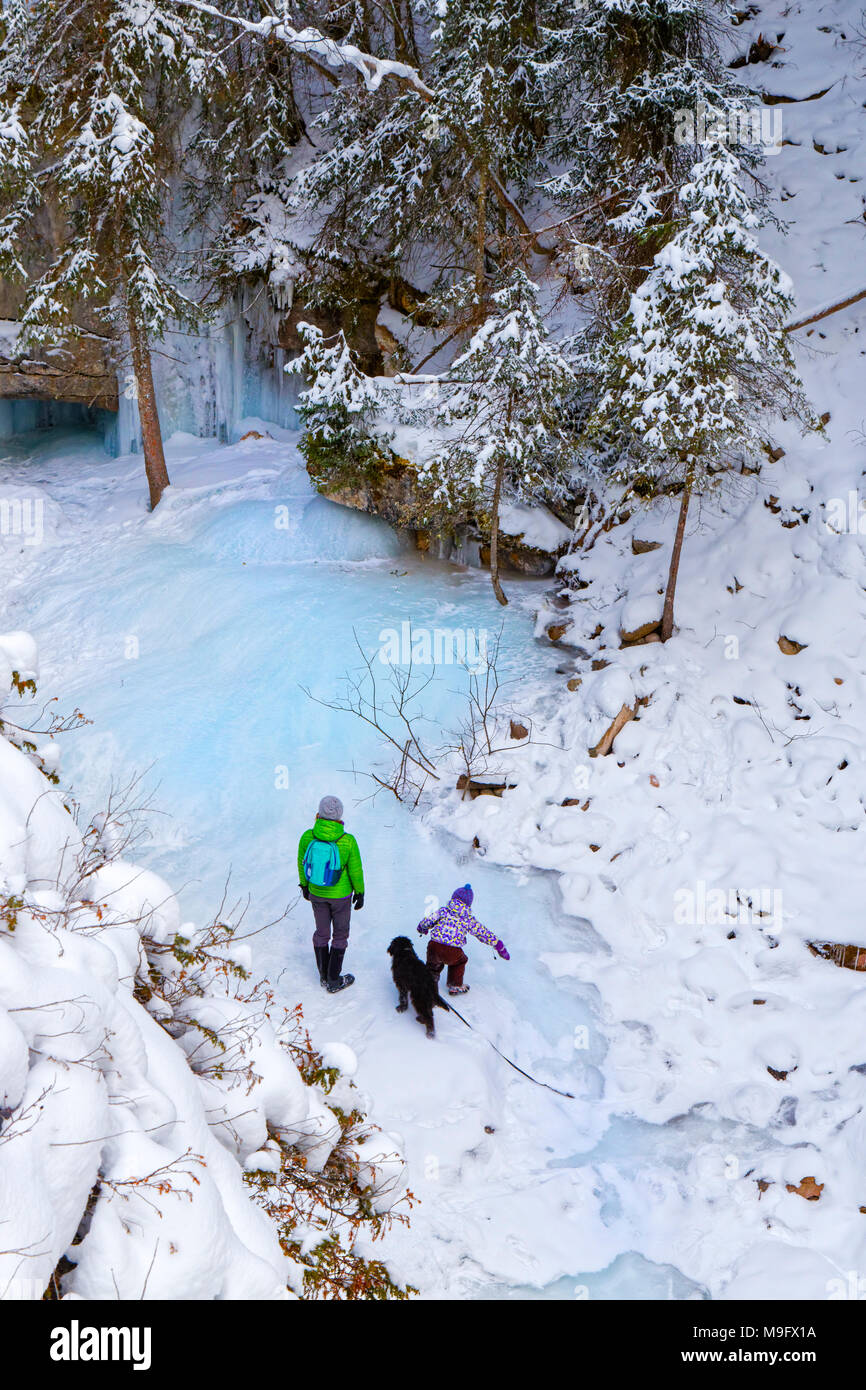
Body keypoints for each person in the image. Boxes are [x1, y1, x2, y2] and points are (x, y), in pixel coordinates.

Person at [298, 795, 364, 994]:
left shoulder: (308, 837)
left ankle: (323, 975)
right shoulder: (347, 840)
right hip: (341, 896)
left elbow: (302, 864)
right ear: (339, 817)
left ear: (318, 814)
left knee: (322, 933)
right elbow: (355, 870)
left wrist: (305, 886)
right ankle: (334, 980)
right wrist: (360, 892)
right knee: (340, 935)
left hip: (317, 893)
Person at [416, 883, 509, 995]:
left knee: (433, 966)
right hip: (452, 951)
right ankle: (455, 985)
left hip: (434, 947)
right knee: (460, 961)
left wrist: (422, 928)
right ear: (469, 904)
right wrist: (498, 945)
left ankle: (429, 985)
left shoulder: (443, 911)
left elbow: (428, 920)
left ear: (453, 898)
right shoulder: (468, 919)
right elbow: (482, 932)